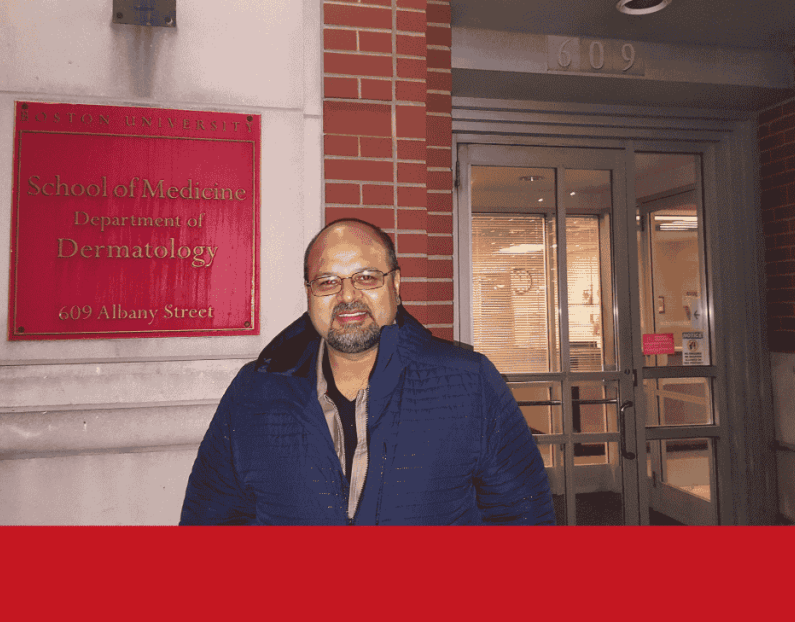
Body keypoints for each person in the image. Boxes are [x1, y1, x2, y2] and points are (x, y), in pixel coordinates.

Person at [180, 218, 555, 525]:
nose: (347, 296)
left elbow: (523, 516)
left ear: (396, 285)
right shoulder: (253, 393)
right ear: (309, 294)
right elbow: (210, 520)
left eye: (366, 277)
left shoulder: (469, 382)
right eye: (328, 282)